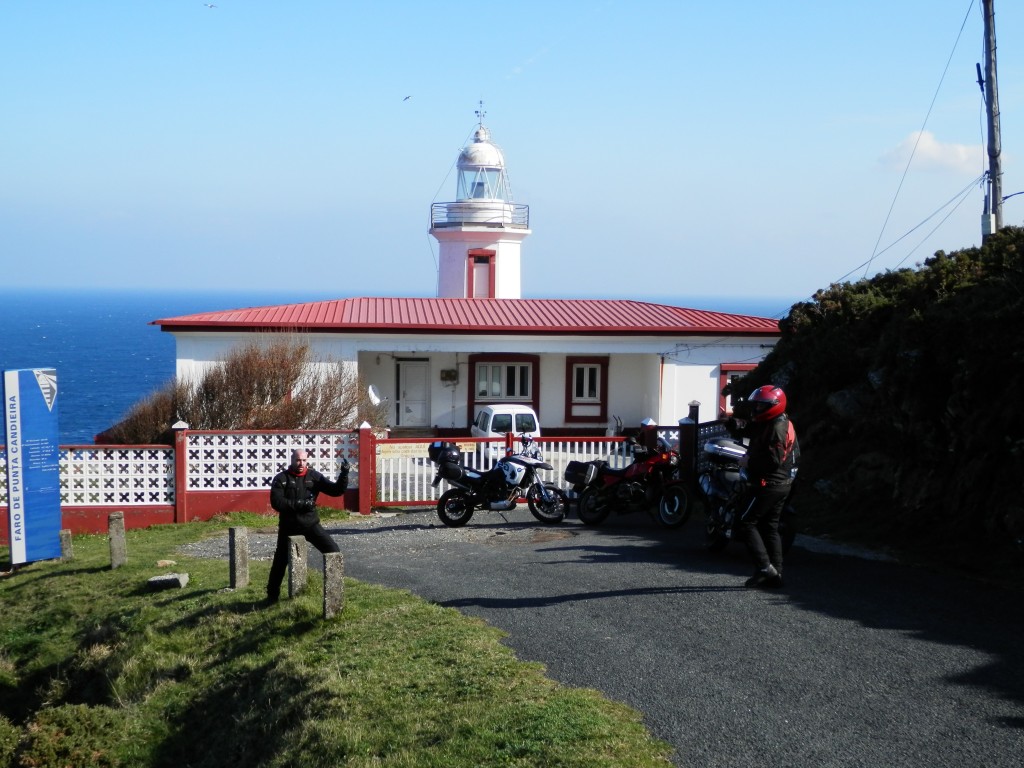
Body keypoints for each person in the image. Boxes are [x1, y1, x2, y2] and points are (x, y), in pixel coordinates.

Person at [265, 449, 350, 603]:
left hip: (310, 525)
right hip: (288, 527)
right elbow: (277, 503)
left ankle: (334, 594)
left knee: (333, 551)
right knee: (280, 562)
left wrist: (344, 475)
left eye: (304, 460)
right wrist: (300, 504)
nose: (301, 464)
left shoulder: (314, 476)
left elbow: (336, 491)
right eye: (298, 460)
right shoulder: (281, 478)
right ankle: (271, 597)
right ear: (291, 460)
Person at [737, 385, 799, 588]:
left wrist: (748, 462)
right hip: (781, 483)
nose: (756, 409)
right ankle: (775, 573)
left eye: (761, 405)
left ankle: (765, 568)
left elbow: (773, 461)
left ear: (773, 405)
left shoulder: (776, 428)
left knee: (746, 523)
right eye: (756, 405)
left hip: (769, 483)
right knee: (770, 527)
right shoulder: (780, 421)